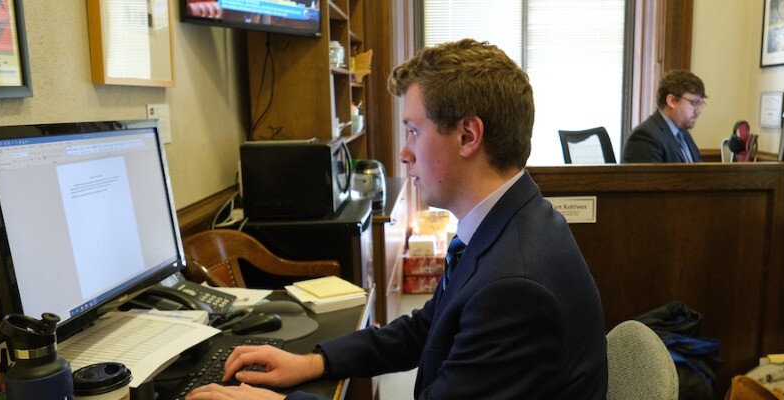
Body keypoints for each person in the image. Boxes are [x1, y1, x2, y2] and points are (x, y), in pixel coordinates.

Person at [187, 38, 608, 400]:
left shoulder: (514, 286)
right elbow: (426, 328)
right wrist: (314, 362)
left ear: (468, 136)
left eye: (412, 131)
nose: (405, 152)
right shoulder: (505, 220)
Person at [622, 70, 707, 163]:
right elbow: (651, 178)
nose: (698, 111)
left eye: (700, 104)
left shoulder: (683, 134)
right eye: (694, 103)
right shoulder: (645, 137)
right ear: (672, 101)